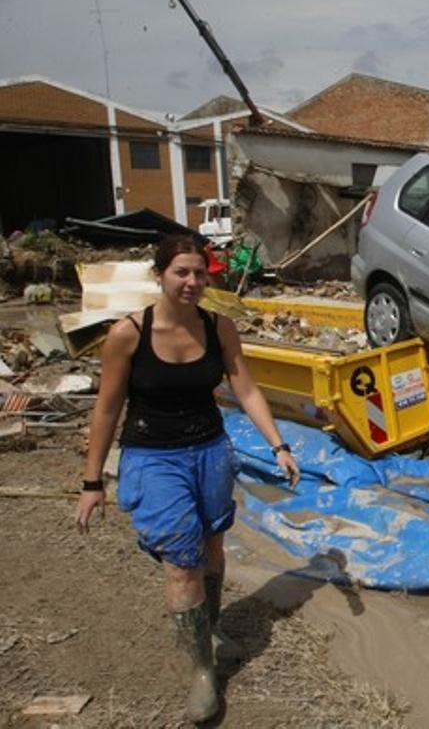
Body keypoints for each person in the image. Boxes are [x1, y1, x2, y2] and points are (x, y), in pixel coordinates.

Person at [74, 234, 300, 724]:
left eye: (200, 273)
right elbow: (108, 407)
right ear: (160, 275)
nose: (192, 282)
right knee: (182, 560)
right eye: (182, 272)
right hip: (153, 457)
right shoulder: (128, 335)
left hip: (210, 451)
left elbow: (246, 387)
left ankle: (210, 630)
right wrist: (92, 482)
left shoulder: (220, 327)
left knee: (213, 542)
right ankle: (202, 670)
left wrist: (278, 445)